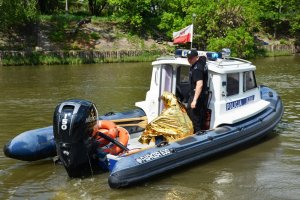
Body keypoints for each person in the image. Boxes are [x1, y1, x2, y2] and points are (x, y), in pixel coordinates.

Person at [186, 49, 208, 133]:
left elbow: (199, 84)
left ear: (196, 57)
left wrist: (194, 100)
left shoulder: (196, 69)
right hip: (202, 95)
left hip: (197, 95)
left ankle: (197, 135)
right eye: (188, 58)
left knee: (194, 117)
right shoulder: (202, 61)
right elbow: (204, 58)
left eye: (191, 58)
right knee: (196, 114)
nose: (189, 60)